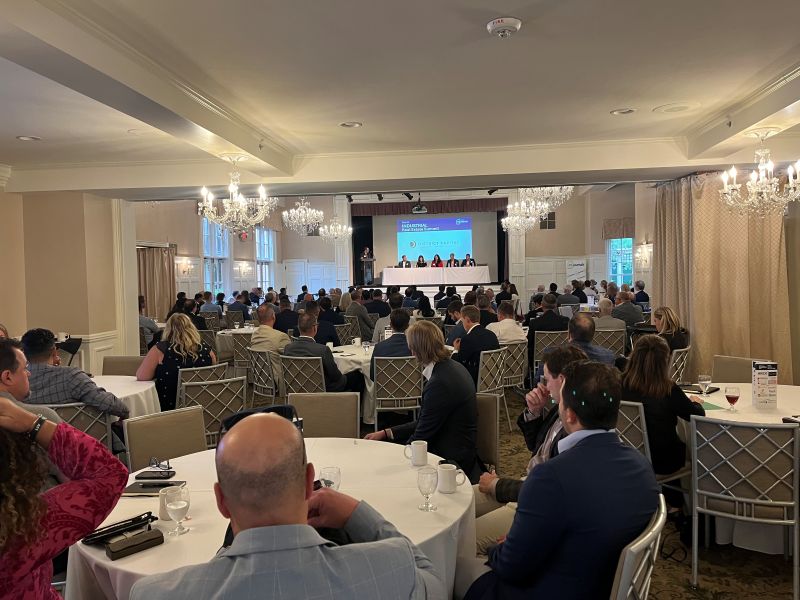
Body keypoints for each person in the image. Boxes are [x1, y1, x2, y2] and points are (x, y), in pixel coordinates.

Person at [130, 412, 443, 600]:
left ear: (221, 502)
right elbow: (434, 584)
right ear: (309, 482)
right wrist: (355, 513)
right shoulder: (390, 567)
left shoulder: (155, 594)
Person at [463, 362, 659, 600]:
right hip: (604, 583)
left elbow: (511, 567)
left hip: (552, 589)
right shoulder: (642, 467)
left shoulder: (551, 477)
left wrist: (501, 549)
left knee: (458, 565)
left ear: (569, 414)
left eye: (561, 402)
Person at [0, 339, 128, 599]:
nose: (29, 374)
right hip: (61, 544)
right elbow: (108, 473)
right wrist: (35, 425)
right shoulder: (25, 529)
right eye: (25, 369)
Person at [474, 346, 587, 554]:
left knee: (466, 536)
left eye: (546, 379)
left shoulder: (577, 425)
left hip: (536, 504)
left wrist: (497, 485)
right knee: (459, 500)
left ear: (562, 380)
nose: (543, 386)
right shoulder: (560, 408)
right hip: (527, 485)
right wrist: (535, 412)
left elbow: (546, 492)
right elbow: (537, 448)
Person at [365, 321, 480, 482]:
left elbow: (422, 436)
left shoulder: (440, 383)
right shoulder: (452, 366)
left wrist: (395, 459)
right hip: (456, 444)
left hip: (449, 461)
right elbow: (425, 421)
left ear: (415, 350)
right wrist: (386, 433)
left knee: (382, 466)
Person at [622, 335, 704, 477]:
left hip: (628, 457)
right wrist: (695, 402)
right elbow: (697, 415)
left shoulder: (619, 384)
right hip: (663, 463)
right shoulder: (668, 389)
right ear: (664, 361)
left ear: (633, 356)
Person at [21, 329, 130, 418]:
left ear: (23, 353)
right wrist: (125, 413)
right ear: (54, 351)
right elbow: (109, 404)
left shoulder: (17, 381)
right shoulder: (71, 376)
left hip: (31, 437)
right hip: (78, 435)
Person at [136, 313, 216, 411]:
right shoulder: (207, 350)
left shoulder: (161, 350)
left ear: (168, 329)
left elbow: (142, 376)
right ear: (192, 328)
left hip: (169, 408)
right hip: (204, 405)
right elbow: (214, 375)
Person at [283, 314, 361, 393]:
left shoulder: (287, 348)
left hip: (295, 387)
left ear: (298, 327)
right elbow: (336, 376)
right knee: (358, 376)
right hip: (323, 389)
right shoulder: (322, 350)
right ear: (315, 328)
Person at [452, 306, 500, 385]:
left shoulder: (467, 339)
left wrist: (456, 350)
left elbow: (458, 366)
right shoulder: (492, 335)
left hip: (475, 382)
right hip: (494, 379)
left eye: (462, 321)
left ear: (467, 320)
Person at [526, 294, 569, 367]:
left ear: (542, 305)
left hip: (540, 359)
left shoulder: (534, 323)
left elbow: (530, 343)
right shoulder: (565, 321)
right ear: (556, 305)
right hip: (561, 357)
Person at [370, 309, 413, 380]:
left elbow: (373, 376)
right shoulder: (414, 347)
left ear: (390, 325)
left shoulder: (379, 347)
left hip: (384, 386)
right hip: (410, 385)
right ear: (408, 326)